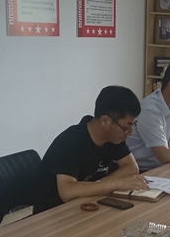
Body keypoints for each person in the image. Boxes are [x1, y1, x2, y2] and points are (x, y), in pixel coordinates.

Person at [34, 86, 149, 214]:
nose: (130, 133)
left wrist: (101, 184)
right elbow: (67, 191)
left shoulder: (113, 138)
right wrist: (116, 183)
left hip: (88, 203)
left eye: (133, 125)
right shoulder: (70, 142)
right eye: (127, 127)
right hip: (54, 214)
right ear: (105, 121)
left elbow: (131, 167)